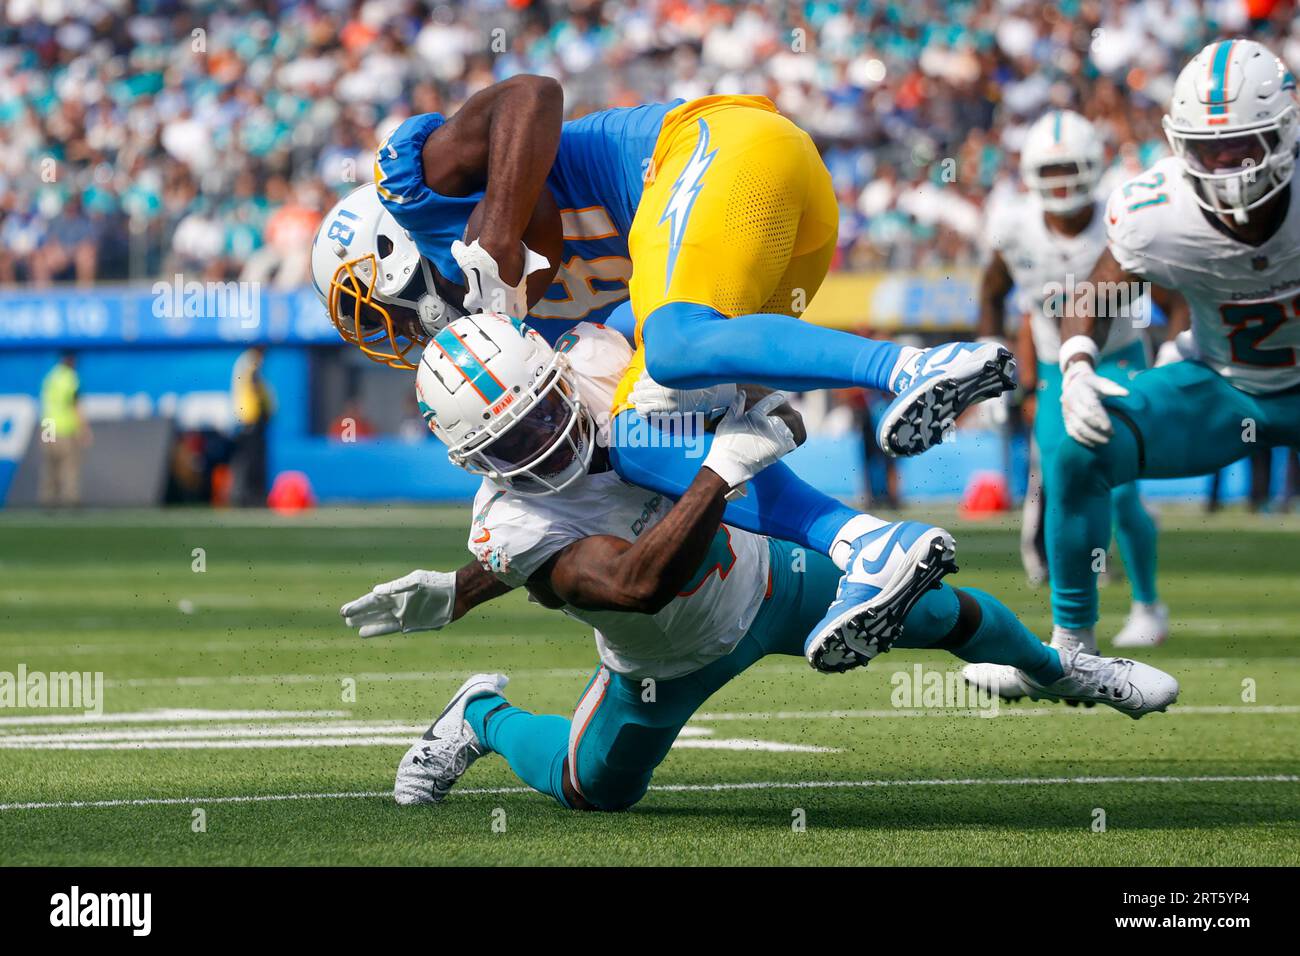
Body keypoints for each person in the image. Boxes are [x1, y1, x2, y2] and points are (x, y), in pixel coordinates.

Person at [343, 312, 1177, 811]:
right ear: (472, 462)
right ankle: (478, 718)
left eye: (539, 416)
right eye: (511, 445)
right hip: (660, 657)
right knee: (593, 789)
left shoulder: (605, 367)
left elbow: (758, 401)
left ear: (555, 371)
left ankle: (1064, 669)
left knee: (942, 612)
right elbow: (634, 584)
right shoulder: (505, 521)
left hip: (767, 576)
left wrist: (759, 413)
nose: (543, 444)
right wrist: (723, 467)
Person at [311, 79, 1018, 655]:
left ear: (388, 252)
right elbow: (579, 486)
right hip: (783, 230)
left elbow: (532, 94)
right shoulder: (523, 332)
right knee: (637, 438)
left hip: (719, 145)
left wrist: (495, 243)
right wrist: (463, 589)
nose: (401, 330)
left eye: (378, 310)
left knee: (675, 346)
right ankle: (869, 545)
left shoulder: (421, 186)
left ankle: (913, 366)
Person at [976, 40, 1300, 682]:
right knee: (1073, 443)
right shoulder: (1159, 211)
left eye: (1244, 146)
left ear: (1284, 132)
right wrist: (1072, 364)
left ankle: (1144, 604)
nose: (1228, 168)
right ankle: (1070, 648)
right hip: (1225, 387)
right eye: (1210, 150)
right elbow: (1097, 290)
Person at [977, 109, 1188, 646]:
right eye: (1050, 171)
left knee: (1118, 490)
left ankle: (1148, 605)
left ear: (1094, 166)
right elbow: (992, 292)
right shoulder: (1014, 226)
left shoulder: (1122, 216)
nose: (1062, 183)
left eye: (1070, 168)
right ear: (1029, 176)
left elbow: (1172, 296)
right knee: (1063, 482)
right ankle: (1069, 627)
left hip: (1117, 359)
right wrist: (989, 360)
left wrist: (1175, 354)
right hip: (1052, 369)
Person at [38, 351, 91, 506]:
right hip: (63, 427)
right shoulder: (71, 378)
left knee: (49, 464)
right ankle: (70, 499)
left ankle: (47, 498)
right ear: (71, 361)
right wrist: (83, 429)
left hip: (48, 425)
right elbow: (75, 405)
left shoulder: (51, 377)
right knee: (69, 464)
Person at [229, 345, 273, 507]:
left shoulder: (244, 361)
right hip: (251, 417)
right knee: (253, 461)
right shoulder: (251, 361)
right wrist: (266, 409)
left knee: (247, 460)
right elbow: (256, 386)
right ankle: (250, 496)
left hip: (246, 417)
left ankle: (243, 495)